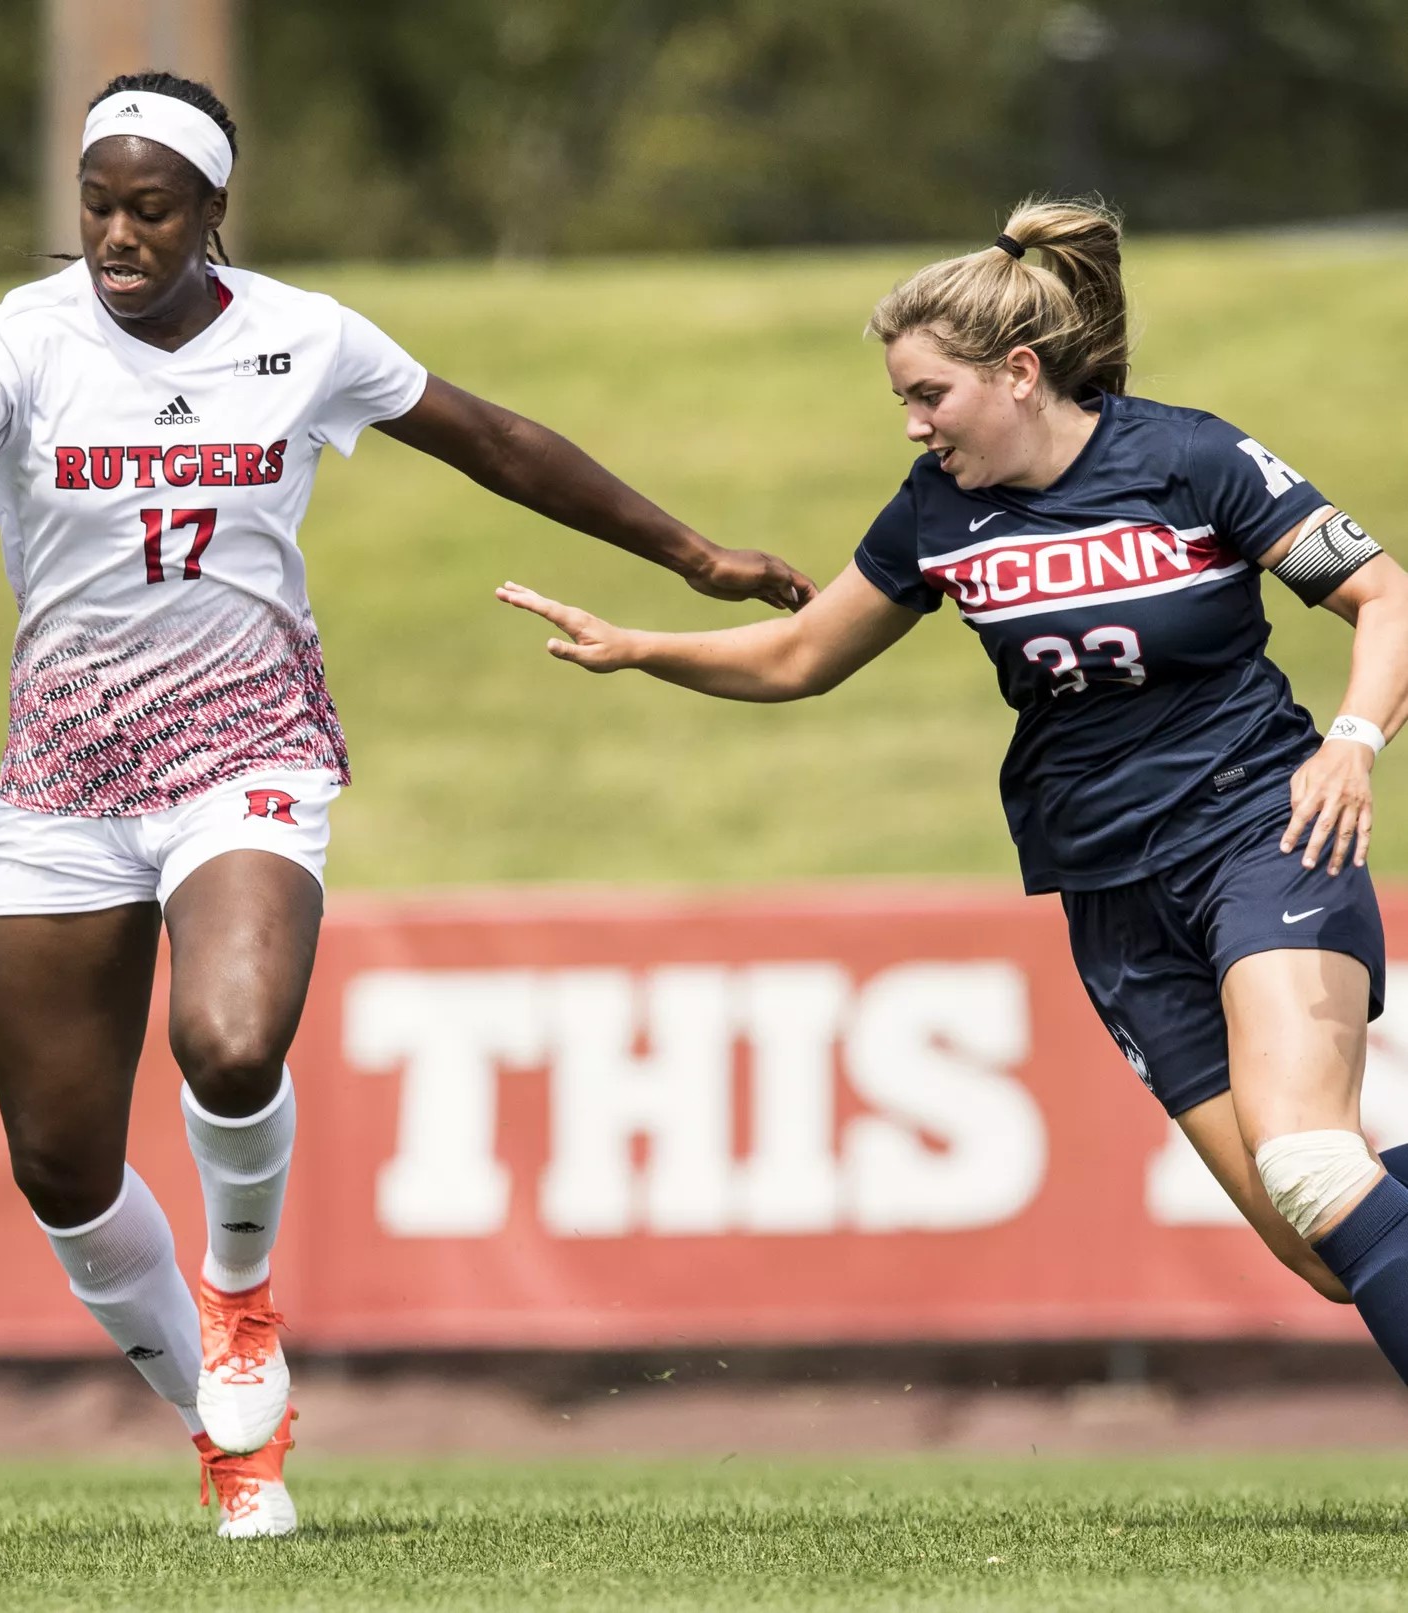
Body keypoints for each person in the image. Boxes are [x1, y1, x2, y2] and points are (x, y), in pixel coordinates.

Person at [0, 70, 813, 1537]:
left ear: (214, 212)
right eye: (97, 205)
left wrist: (690, 553)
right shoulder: (14, 345)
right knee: (61, 1170)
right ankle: (233, 1436)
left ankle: (239, 1310)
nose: (117, 236)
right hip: (67, 782)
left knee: (228, 1040)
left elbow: (496, 438)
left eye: (152, 209)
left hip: (249, 744)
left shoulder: (304, 336)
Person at [499, 196, 1408, 1381]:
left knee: (1311, 1160)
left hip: (1262, 832)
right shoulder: (936, 511)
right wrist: (640, 647)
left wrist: (1350, 738)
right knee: (1319, 1249)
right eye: (902, 402)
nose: (915, 424)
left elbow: (1383, 595)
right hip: (1108, 895)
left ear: (1019, 372)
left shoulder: (1191, 458)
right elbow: (796, 656)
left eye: (928, 396)